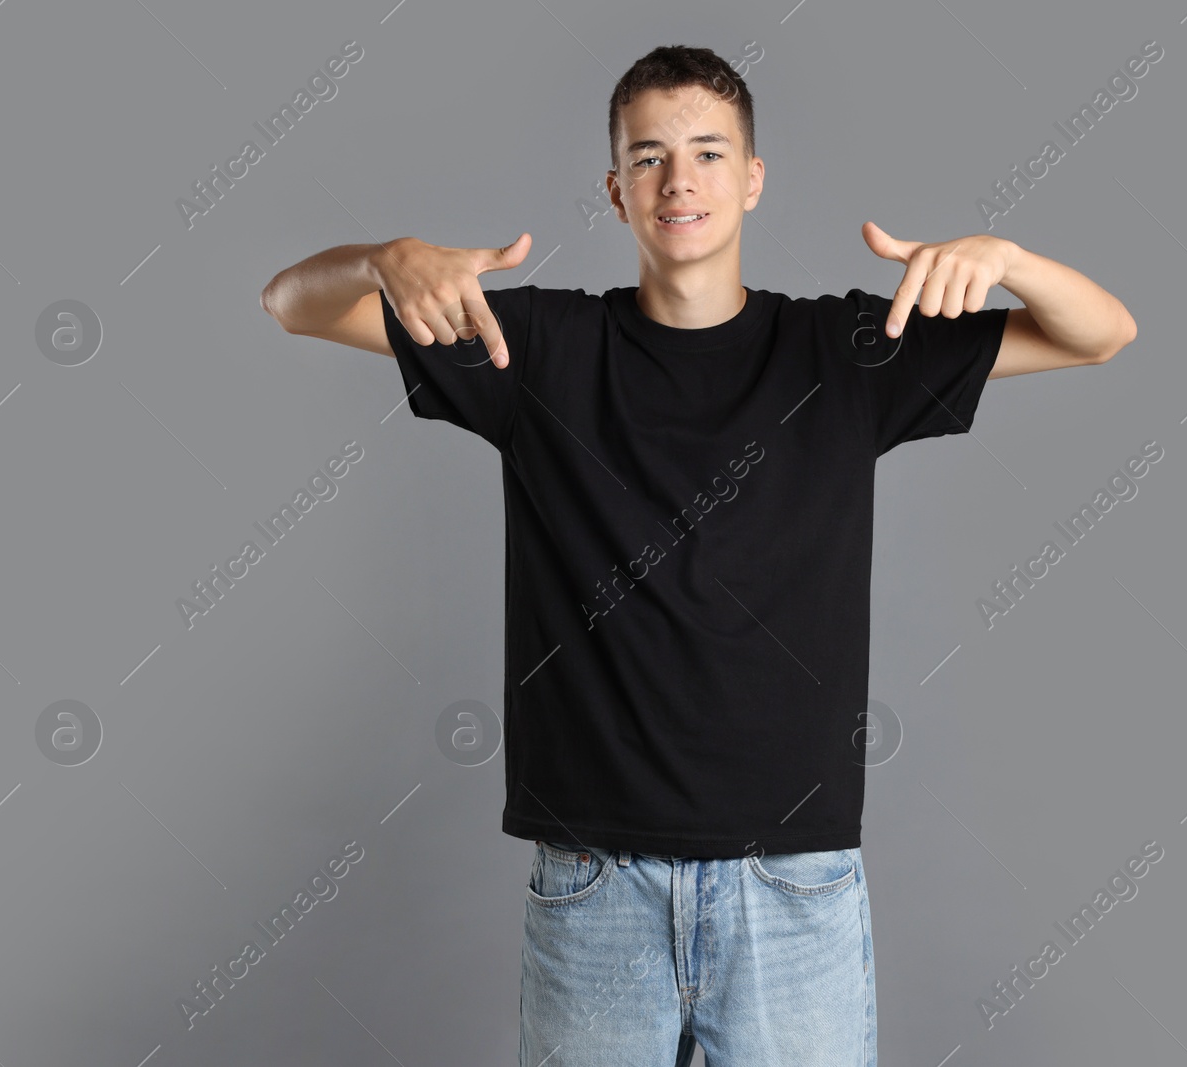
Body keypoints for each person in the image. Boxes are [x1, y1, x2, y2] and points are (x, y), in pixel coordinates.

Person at [261, 43, 1135, 1067]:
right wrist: (386, 254)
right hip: (595, 883)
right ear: (616, 189)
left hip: (792, 882)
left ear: (752, 179)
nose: (680, 180)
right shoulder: (531, 348)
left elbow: (1101, 333)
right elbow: (290, 302)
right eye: (649, 156)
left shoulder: (845, 353)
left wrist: (1008, 257)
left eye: (710, 153)